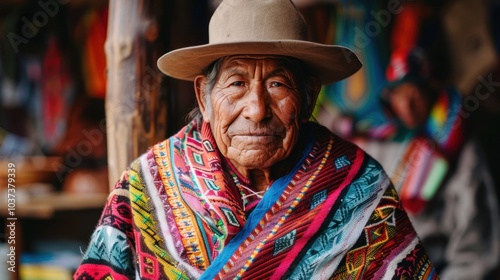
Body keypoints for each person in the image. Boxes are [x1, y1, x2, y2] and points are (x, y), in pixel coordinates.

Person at [74, 1, 439, 279]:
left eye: (278, 84)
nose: (257, 109)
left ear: (309, 96)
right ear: (204, 96)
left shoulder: (359, 185)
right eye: (236, 84)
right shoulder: (147, 182)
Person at [355, 47, 500, 279]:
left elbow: (475, 246)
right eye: (399, 94)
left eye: (415, 93)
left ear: (431, 91)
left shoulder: (459, 150)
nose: (407, 105)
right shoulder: (382, 143)